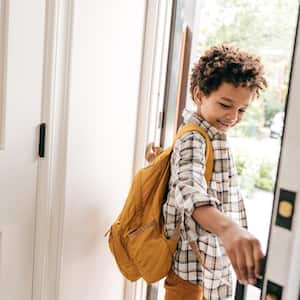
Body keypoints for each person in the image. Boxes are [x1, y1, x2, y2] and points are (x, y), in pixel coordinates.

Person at [163, 45, 268, 300]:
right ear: (199, 95)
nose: (233, 117)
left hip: (207, 267)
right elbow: (188, 188)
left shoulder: (213, 134)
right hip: (191, 273)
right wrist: (228, 229)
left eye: (242, 110)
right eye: (225, 105)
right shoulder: (194, 138)